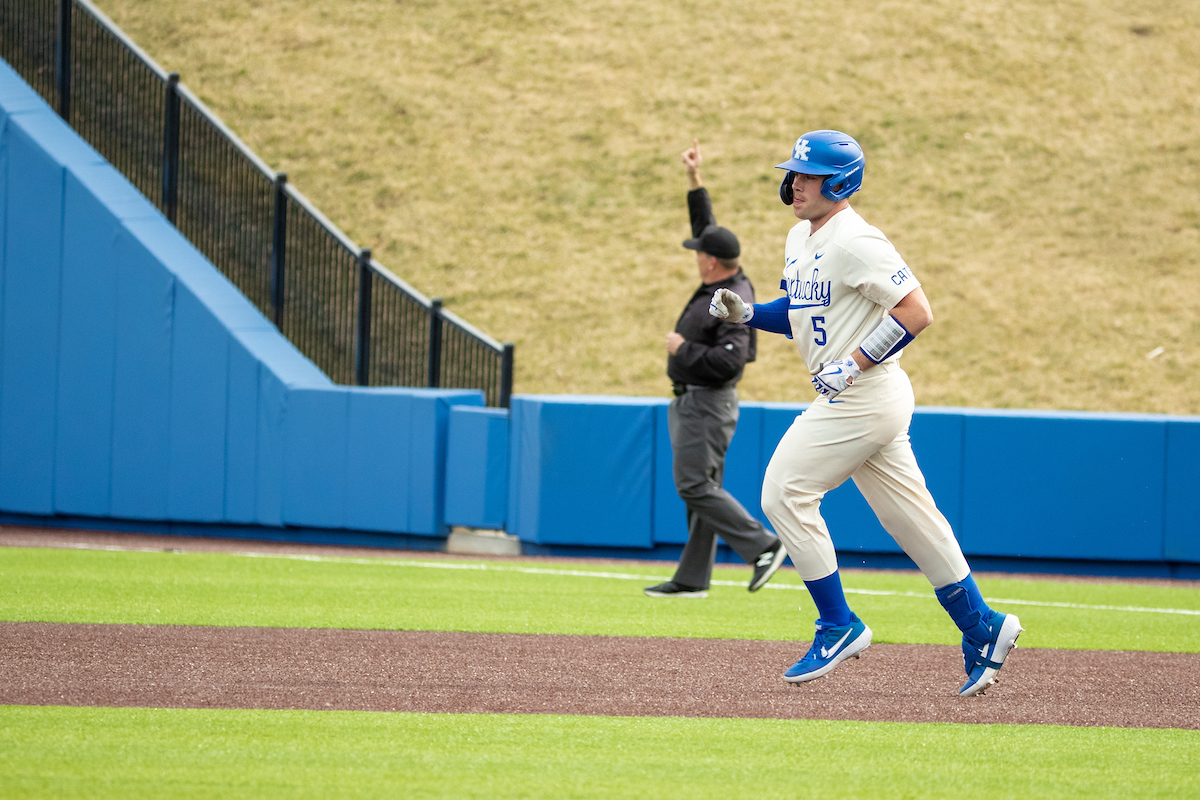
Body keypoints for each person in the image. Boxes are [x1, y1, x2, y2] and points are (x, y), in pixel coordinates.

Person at [709, 130, 1022, 696]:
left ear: (839, 182)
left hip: (864, 393)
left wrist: (852, 363)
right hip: (862, 396)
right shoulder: (800, 236)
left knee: (783, 494)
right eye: (795, 174)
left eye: (807, 175)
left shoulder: (857, 240)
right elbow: (802, 312)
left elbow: (917, 311)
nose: (795, 183)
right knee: (913, 521)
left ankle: (838, 624)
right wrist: (749, 313)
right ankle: (983, 626)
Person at [643, 139, 787, 599]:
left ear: (709, 262)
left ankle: (763, 546)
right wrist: (694, 178)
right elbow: (707, 228)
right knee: (702, 488)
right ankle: (692, 579)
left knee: (693, 485)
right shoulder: (721, 270)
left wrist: (683, 349)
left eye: (698, 252)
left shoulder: (730, 299)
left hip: (707, 403)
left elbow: (731, 361)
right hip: (698, 403)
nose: (695, 252)